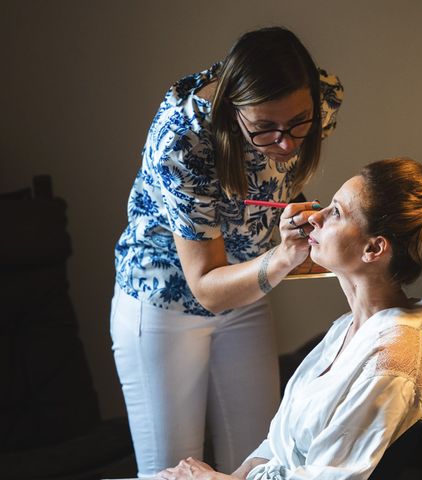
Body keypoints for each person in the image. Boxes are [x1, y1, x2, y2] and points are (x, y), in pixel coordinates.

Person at [110, 26, 343, 477]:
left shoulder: (323, 96)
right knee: (175, 471)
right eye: (264, 129)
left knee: (263, 464)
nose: (286, 143)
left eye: (299, 122)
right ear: (233, 111)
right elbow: (208, 289)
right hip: (165, 303)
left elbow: (275, 179)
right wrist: (280, 257)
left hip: (247, 295)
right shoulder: (184, 139)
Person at [157, 156, 422, 480]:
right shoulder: (348, 329)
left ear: (373, 249)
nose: (315, 217)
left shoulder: (393, 362)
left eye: (336, 212)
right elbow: (278, 444)